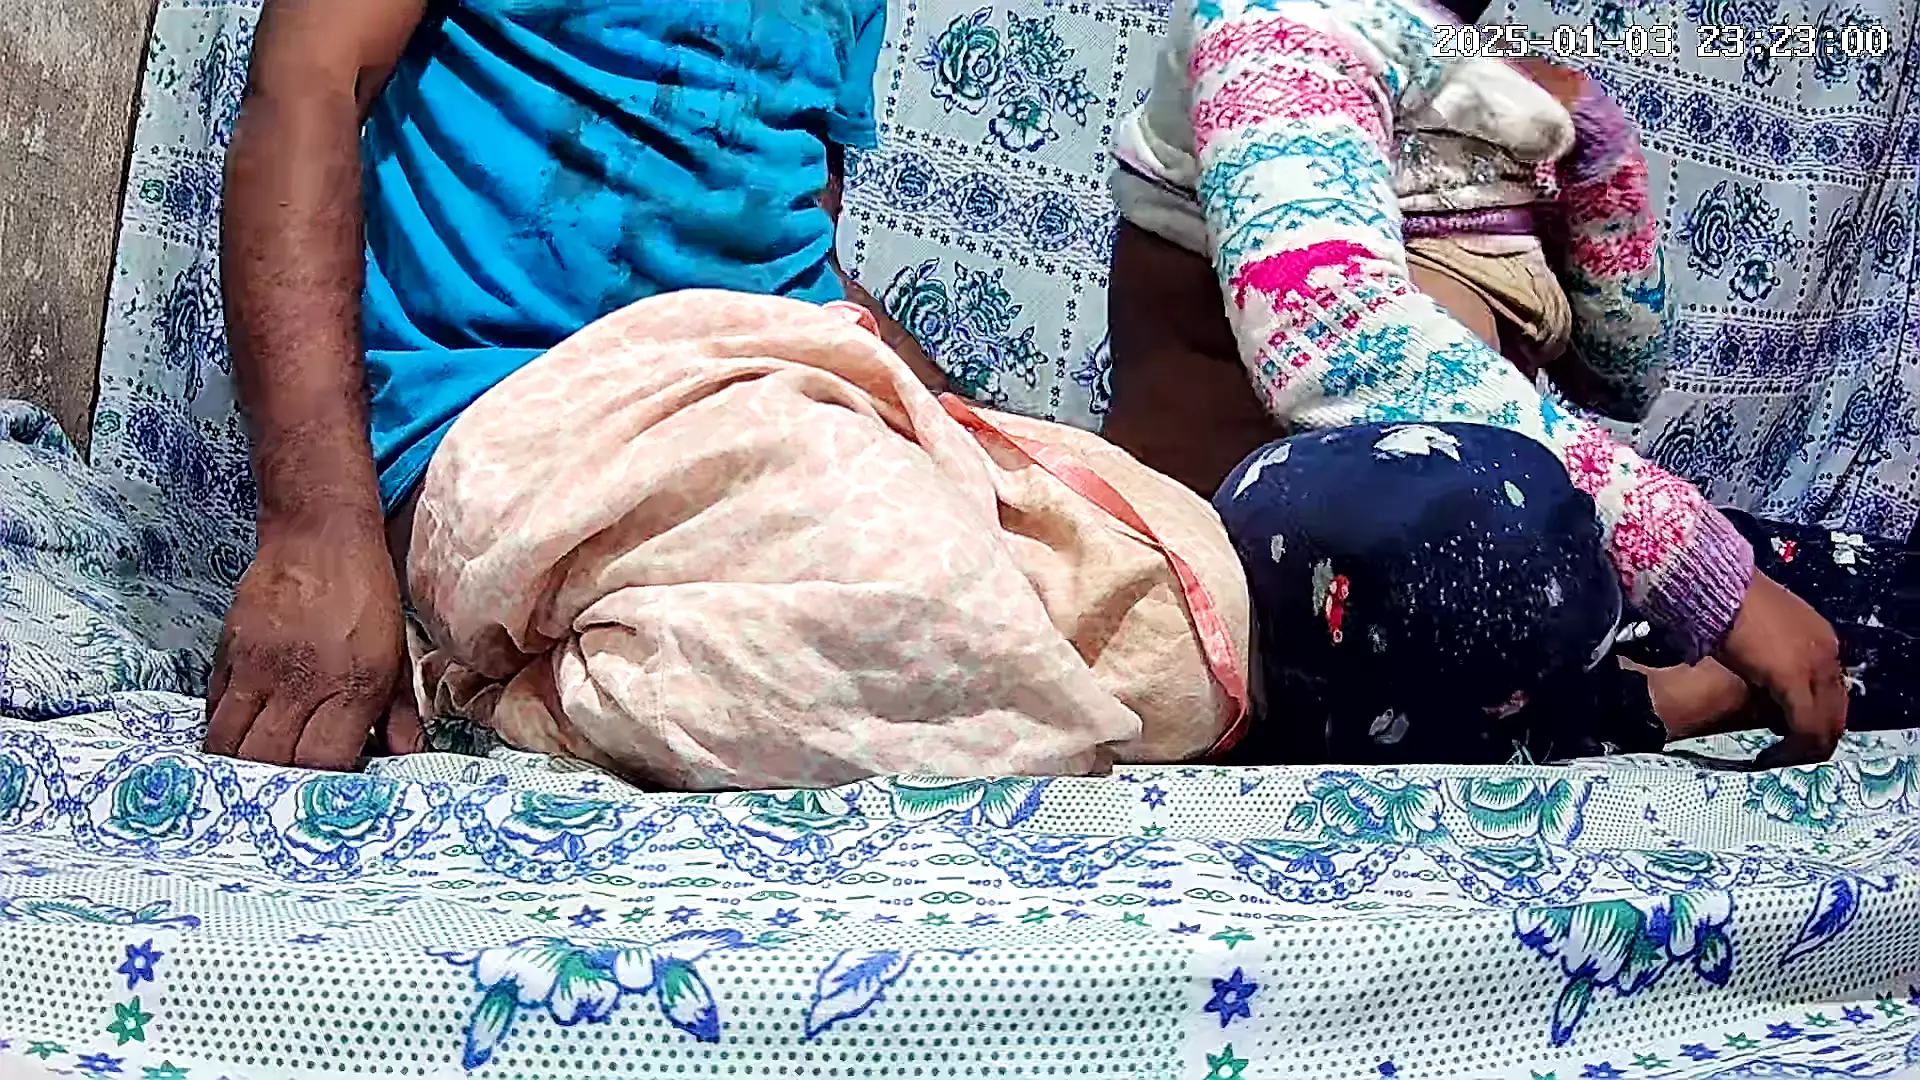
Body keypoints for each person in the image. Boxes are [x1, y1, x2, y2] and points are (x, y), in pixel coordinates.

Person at [1101, 0, 1847, 766]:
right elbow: (1332, 337)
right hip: (1245, 578)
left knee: (1859, 610)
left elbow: (1623, 379)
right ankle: (1619, 706)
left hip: (1482, 556)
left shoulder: (1476, 76)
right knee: (1474, 507)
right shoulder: (1273, 22)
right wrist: (1699, 570)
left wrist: (1599, 168)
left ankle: (1597, 678)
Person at [208, 0, 934, 771]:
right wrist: (316, 533)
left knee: (1025, 562)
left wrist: (955, 426)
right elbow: (307, 80)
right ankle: (499, 673)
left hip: (757, 401)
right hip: (505, 414)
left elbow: (794, 250)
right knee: (909, 620)